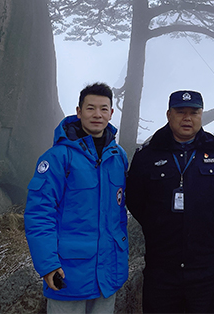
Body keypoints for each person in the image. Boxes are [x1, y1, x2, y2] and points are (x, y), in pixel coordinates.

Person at [126, 90, 214, 313]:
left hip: (205, 268)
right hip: (162, 269)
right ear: (168, 114)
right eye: (180, 112)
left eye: (194, 112)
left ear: (201, 115)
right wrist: (157, 224)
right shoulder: (147, 155)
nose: (187, 118)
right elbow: (135, 199)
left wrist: (205, 220)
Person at [24, 83, 129, 314]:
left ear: (111, 113)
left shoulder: (118, 157)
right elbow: (39, 214)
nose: (97, 115)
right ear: (79, 111)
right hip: (68, 273)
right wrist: (48, 264)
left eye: (104, 109)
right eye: (91, 108)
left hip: (108, 274)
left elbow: (120, 214)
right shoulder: (57, 157)